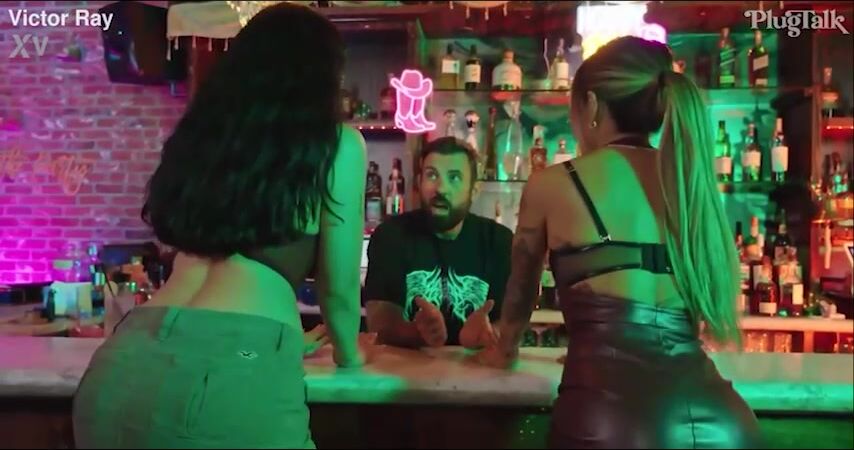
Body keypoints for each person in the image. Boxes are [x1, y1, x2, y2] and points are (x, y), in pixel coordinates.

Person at [72, 4, 366, 448]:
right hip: (230, 372)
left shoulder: (205, 138)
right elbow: (340, 291)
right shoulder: (338, 145)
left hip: (124, 362)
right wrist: (349, 355)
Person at [476, 36, 763, 448]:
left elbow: (521, 290)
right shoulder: (688, 185)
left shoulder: (552, 183)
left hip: (610, 421)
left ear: (591, 106)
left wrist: (505, 349)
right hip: (722, 422)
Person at [364, 137, 513, 348]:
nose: (441, 188)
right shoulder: (390, 236)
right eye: (432, 175)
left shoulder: (498, 241)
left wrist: (487, 335)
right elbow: (379, 323)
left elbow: (512, 322)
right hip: (407, 366)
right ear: (418, 183)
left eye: (454, 178)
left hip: (477, 365)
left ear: (474, 190)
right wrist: (417, 333)